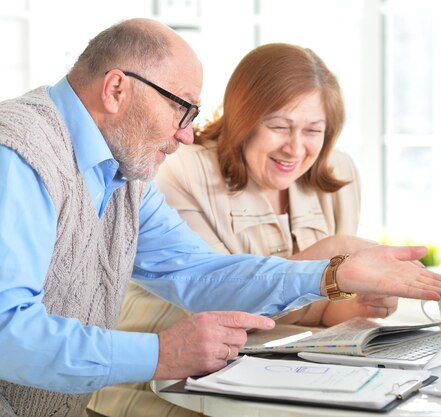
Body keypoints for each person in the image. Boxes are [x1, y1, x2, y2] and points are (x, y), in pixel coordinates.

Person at [0, 18, 441, 417]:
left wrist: (335, 274)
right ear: (117, 88)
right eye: (178, 107)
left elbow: (199, 273)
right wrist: (162, 354)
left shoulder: (123, 175)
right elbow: (7, 334)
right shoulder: (18, 155)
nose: (186, 134)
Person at [90, 43, 401, 416]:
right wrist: (331, 256)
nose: (295, 148)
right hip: (163, 391)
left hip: (274, 381)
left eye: (313, 130)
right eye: (279, 126)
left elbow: (318, 312)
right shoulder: (180, 169)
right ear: (244, 117)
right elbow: (214, 298)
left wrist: (356, 300)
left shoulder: (338, 176)